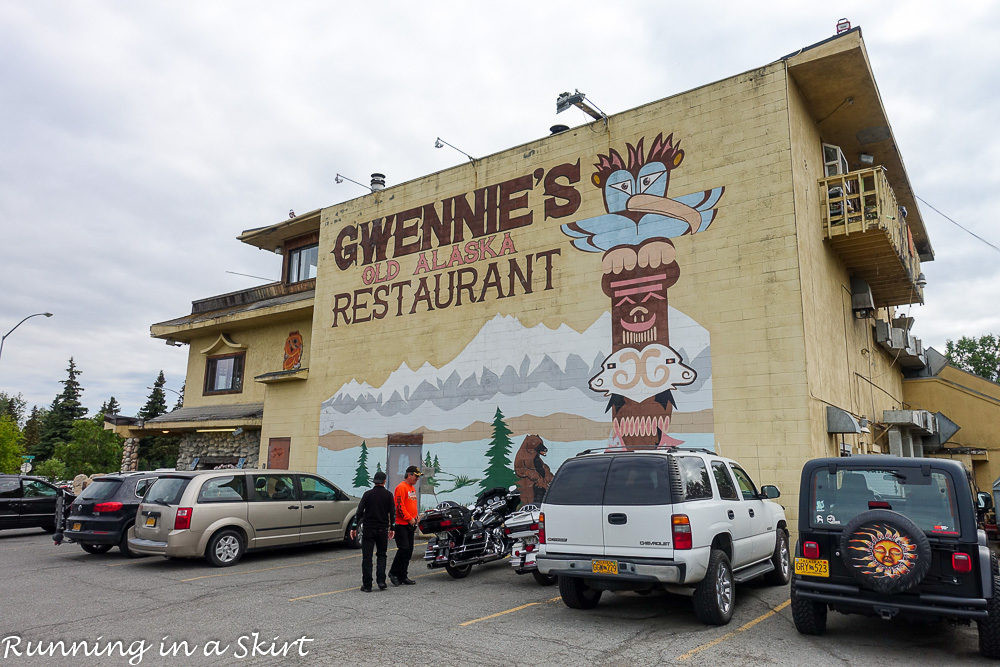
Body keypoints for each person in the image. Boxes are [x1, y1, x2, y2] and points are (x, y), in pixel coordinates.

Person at [352, 471, 396, 592]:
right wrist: (392, 528)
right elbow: (392, 513)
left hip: (369, 529)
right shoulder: (388, 495)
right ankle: (381, 581)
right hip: (382, 529)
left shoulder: (367, 494)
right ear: (384, 481)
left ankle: (367, 585)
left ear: (374, 481)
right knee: (382, 554)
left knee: (367, 557)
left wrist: (354, 527)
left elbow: (359, 511)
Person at [389, 465, 421, 586]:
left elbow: (411, 504)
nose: (417, 479)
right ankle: (393, 572)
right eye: (416, 476)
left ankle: (403, 575)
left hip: (411, 523)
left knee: (409, 550)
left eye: (418, 477)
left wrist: (416, 516)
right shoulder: (401, 487)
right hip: (401, 524)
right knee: (404, 548)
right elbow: (399, 506)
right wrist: (409, 518)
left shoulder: (412, 488)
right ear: (409, 475)